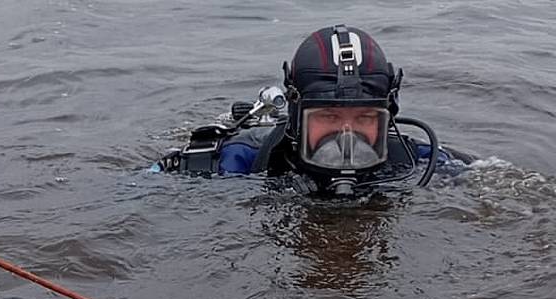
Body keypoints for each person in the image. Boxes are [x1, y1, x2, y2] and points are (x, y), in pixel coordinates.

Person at [154, 25, 474, 195]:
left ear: (388, 114)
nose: (347, 137)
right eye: (328, 116)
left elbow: (497, 184)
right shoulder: (238, 160)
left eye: (365, 117)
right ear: (296, 114)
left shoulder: (416, 160)